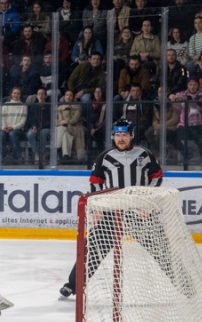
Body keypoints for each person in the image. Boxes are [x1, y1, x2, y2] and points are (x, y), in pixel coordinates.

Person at [59, 118, 163, 298]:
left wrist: (147, 199)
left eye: (124, 135)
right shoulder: (105, 157)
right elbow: (95, 183)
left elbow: (157, 177)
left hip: (138, 211)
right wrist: (100, 206)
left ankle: (185, 284)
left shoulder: (144, 155)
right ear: (113, 136)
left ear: (131, 136)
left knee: (162, 249)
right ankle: (72, 285)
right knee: (91, 249)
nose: (121, 138)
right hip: (112, 213)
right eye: (117, 135)